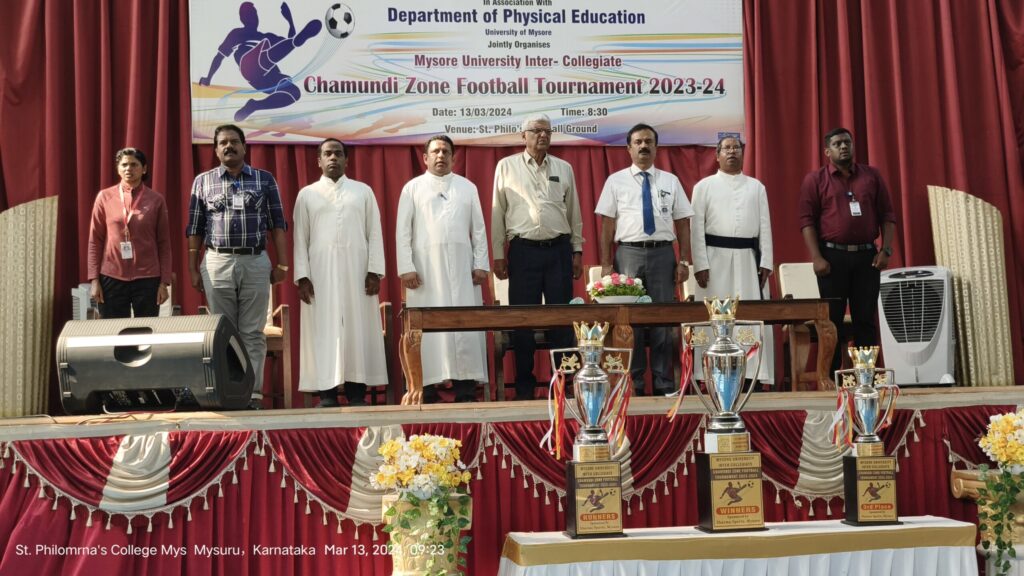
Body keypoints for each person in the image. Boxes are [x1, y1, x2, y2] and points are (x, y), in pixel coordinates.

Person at [186, 124, 289, 410]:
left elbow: (278, 223)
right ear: (216, 149)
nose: (228, 146)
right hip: (216, 261)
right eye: (223, 143)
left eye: (234, 141)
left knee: (252, 332)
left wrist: (282, 263)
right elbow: (194, 227)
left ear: (244, 146)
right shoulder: (203, 181)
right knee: (223, 333)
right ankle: (229, 393)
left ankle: (252, 395)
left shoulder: (264, 179)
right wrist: (192, 268)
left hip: (255, 261)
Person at [492, 113, 584, 400]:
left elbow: (574, 212)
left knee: (562, 321)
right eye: (536, 131)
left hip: (559, 251)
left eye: (547, 131)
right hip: (523, 252)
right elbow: (497, 212)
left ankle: (564, 386)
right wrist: (498, 254)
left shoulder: (564, 168)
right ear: (524, 136)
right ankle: (524, 387)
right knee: (523, 322)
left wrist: (577, 250)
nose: (542, 135)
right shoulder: (506, 166)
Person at [595, 123, 692, 396]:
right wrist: (606, 264)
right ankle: (634, 383)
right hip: (628, 253)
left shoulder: (670, 181)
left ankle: (663, 383)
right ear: (628, 148)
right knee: (630, 320)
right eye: (638, 142)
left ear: (656, 147)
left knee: (662, 318)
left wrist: (683, 261)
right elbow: (607, 225)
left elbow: (682, 222)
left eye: (648, 141)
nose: (643, 146)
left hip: (663, 254)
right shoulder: (615, 181)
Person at [293, 138, 388, 407]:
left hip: (358, 272)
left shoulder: (363, 192)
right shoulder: (307, 194)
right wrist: (302, 277)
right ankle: (328, 393)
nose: (333, 158)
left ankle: (357, 392)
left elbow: (374, 233)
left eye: (338, 153)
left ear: (347, 159)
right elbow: (300, 237)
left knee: (358, 328)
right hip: (319, 275)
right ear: (319, 161)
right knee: (324, 329)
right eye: (327, 154)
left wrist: (374, 271)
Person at [396, 135, 489, 403]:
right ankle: (426, 388)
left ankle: (465, 388)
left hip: (463, 269)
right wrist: (406, 268)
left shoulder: (467, 187)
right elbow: (403, 232)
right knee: (429, 329)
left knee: (464, 323)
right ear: (425, 158)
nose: (440, 156)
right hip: (426, 271)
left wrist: (480, 264)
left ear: (453, 157)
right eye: (435, 151)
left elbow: (479, 229)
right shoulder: (412, 188)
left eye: (445, 151)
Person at [798, 128, 896, 373]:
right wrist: (816, 257)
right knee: (832, 321)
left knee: (865, 319)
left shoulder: (872, 176)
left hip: (867, 258)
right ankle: (831, 378)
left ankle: (866, 376)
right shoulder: (815, 180)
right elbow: (806, 221)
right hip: (831, 259)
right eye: (837, 144)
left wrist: (885, 250)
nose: (843, 147)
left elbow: (887, 215)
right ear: (827, 151)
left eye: (847, 143)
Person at [690, 136, 774, 385]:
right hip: (713, 261)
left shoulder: (756, 187)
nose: (732, 152)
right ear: (717, 155)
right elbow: (696, 229)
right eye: (726, 148)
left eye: (736, 148)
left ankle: (750, 374)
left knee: (748, 315)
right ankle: (711, 373)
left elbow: (765, 226)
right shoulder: (703, 187)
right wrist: (700, 264)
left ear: (743, 153)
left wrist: (766, 261)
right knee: (714, 317)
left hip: (748, 260)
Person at [198, 1, 321, 121]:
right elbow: (219, 56)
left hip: (267, 80)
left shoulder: (266, 36)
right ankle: (296, 42)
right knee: (262, 53)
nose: (253, 17)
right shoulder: (237, 34)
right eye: (249, 14)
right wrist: (208, 78)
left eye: (254, 13)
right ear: (242, 18)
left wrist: (290, 20)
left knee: (294, 93)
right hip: (250, 67)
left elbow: (287, 42)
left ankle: (254, 106)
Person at [87, 148, 172, 319]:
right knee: (114, 331)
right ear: (118, 168)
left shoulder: (156, 200)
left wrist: (164, 282)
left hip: (148, 278)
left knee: (145, 331)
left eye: (134, 164)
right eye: (124, 165)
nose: (128, 169)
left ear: (144, 168)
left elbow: (164, 243)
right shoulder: (104, 197)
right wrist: (94, 280)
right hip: (111, 276)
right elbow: (95, 240)